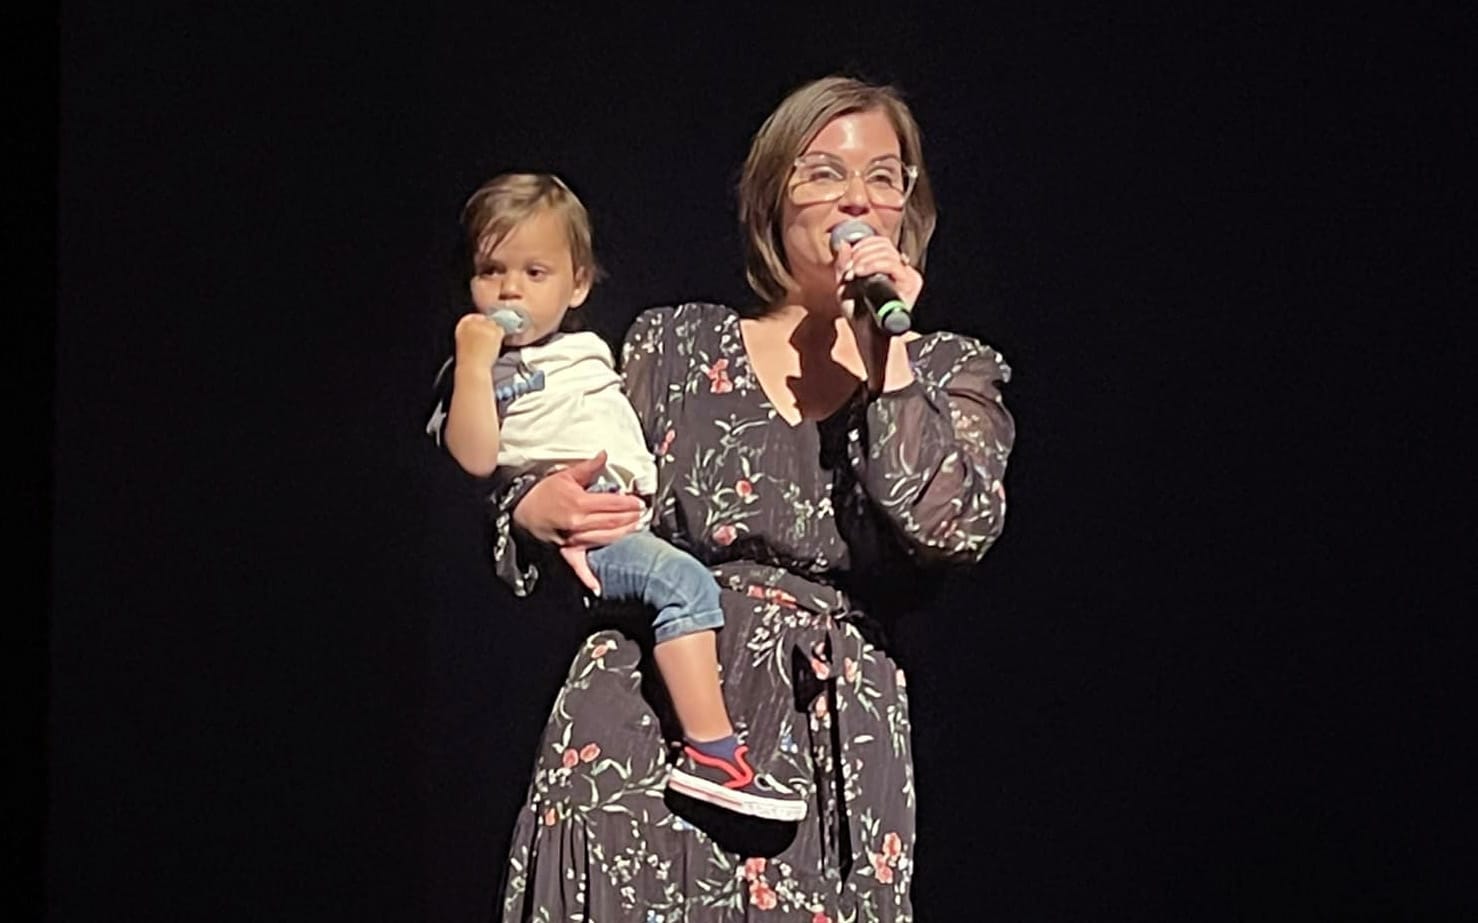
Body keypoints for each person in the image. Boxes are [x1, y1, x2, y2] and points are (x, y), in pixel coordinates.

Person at [449, 76, 1014, 920]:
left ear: (908, 210)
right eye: (823, 174)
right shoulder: (675, 346)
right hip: (643, 731)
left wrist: (887, 356)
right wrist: (528, 509)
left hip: (824, 761)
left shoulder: (949, 373)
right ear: (772, 202)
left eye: (884, 177)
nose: (856, 198)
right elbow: (538, 469)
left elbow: (950, 523)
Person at [429, 172, 807, 822]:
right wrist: (470, 363)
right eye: (491, 271)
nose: (510, 288)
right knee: (686, 585)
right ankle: (714, 754)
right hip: (591, 528)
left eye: (534, 271)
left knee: (683, 583)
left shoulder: (591, 351)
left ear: (576, 283)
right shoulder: (480, 371)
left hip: (633, 515)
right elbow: (471, 454)